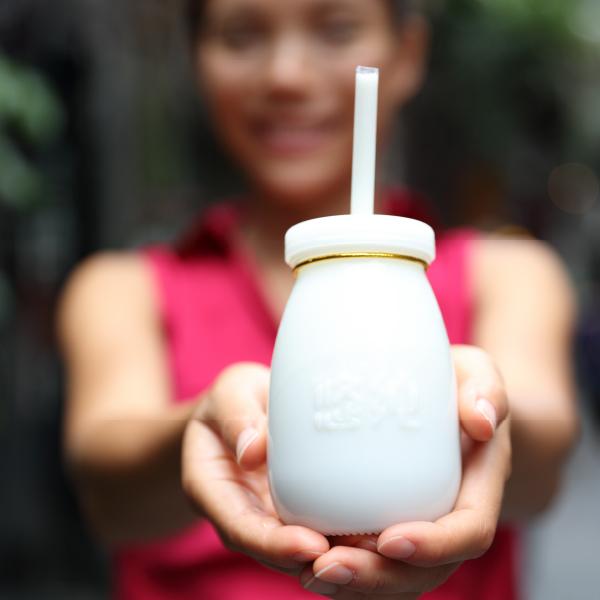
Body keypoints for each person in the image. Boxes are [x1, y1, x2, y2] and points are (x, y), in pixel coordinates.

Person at [58, 1, 579, 598]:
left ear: (407, 54)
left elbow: (544, 456)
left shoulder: (508, 272)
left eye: (336, 30)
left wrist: (484, 427)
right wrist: (202, 430)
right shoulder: (123, 289)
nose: (288, 75)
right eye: (242, 35)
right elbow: (106, 490)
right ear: (197, 59)